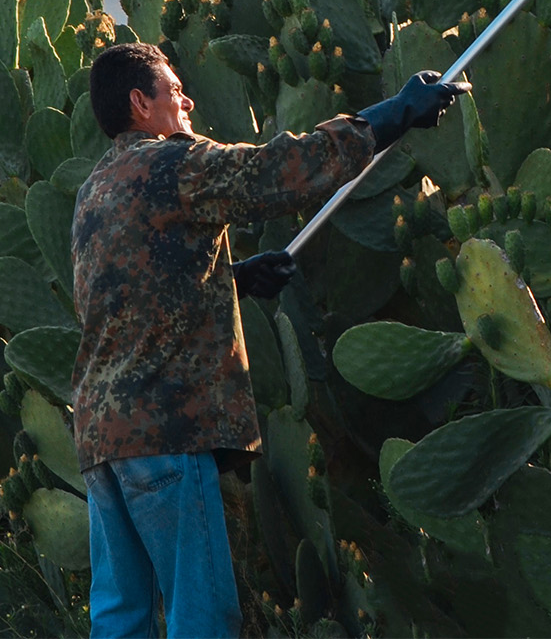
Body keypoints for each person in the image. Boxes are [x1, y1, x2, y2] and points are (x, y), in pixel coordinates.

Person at [71, 41, 467, 639]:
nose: (188, 100)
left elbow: (120, 299)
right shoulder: (171, 164)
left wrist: (230, 280)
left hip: (103, 439)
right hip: (166, 433)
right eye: (175, 90)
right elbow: (277, 172)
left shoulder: (96, 189)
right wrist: (394, 113)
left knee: (120, 622)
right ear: (139, 102)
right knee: (201, 616)